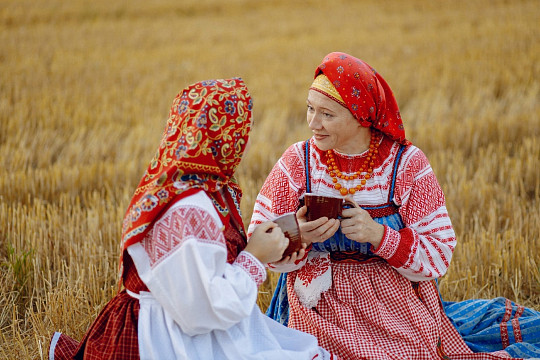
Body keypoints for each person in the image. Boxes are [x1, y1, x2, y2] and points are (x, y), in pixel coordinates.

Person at [248, 52, 540, 359]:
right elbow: (258, 239)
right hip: (315, 305)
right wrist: (300, 234)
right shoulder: (297, 161)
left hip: (391, 303)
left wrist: (378, 235)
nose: (313, 122)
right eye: (310, 108)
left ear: (361, 116)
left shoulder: (406, 164)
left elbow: (439, 254)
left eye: (327, 114)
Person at [48, 78, 339, 360]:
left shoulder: (203, 187)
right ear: (220, 138)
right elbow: (203, 310)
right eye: (241, 131)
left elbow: (210, 264)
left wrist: (285, 237)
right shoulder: (188, 208)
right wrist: (255, 257)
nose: (246, 141)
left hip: (192, 324)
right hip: (170, 338)